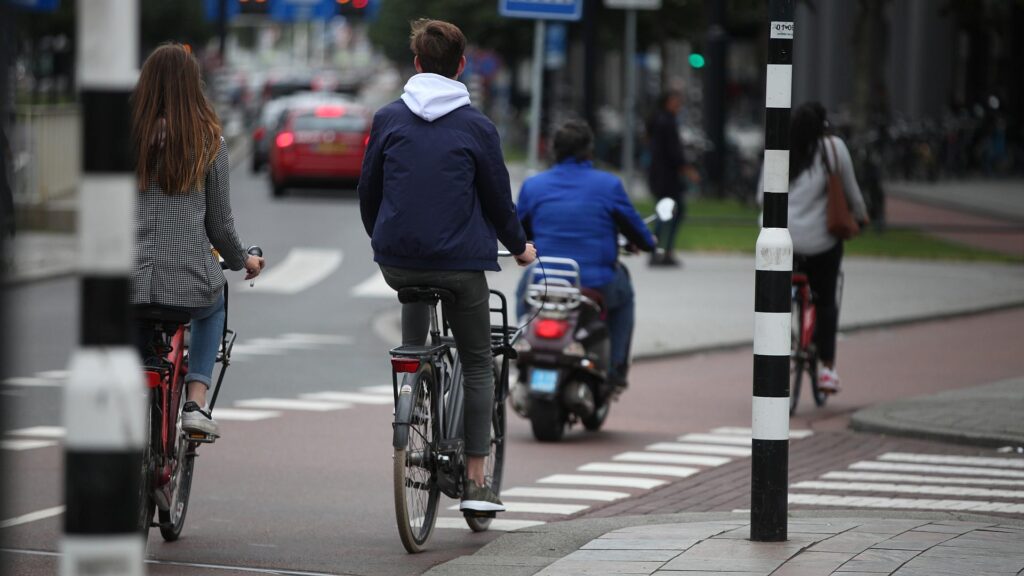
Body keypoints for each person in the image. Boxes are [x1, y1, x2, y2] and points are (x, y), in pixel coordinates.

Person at [357, 19, 536, 513]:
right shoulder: (478, 127)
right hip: (460, 266)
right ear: (461, 66)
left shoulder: (388, 119)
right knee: (480, 361)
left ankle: (413, 384)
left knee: (413, 340)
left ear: (416, 64)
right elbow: (499, 203)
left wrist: (385, 238)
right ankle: (477, 482)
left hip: (398, 261)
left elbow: (367, 192)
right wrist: (520, 247)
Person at [130, 44, 264, 437]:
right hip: (188, 281)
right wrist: (243, 261)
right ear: (193, 87)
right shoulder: (210, 143)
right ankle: (196, 403)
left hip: (129, 280)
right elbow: (219, 225)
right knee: (214, 299)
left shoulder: (123, 142)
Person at [517, 119, 656, 389]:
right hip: (596, 281)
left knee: (524, 293)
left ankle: (522, 346)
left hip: (546, 279)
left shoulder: (534, 186)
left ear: (554, 151)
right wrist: (648, 242)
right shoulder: (608, 185)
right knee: (624, 298)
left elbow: (518, 231)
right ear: (589, 151)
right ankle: (615, 369)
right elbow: (635, 227)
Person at [758, 102, 868, 393]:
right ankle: (827, 368)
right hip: (820, 244)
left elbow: (761, 195)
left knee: (775, 297)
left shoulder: (778, 148)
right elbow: (852, 192)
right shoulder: (833, 149)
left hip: (780, 242)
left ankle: (777, 350)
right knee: (826, 299)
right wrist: (861, 217)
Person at [646, 90, 697, 267]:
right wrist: (687, 169)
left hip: (659, 175)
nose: (679, 105)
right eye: (676, 101)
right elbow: (673, 151)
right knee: (670, 212)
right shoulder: (667, 122)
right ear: (668, 102)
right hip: (667, 177)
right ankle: (661, 250)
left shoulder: (657, 120)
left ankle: (659, 250)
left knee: (666, 212)